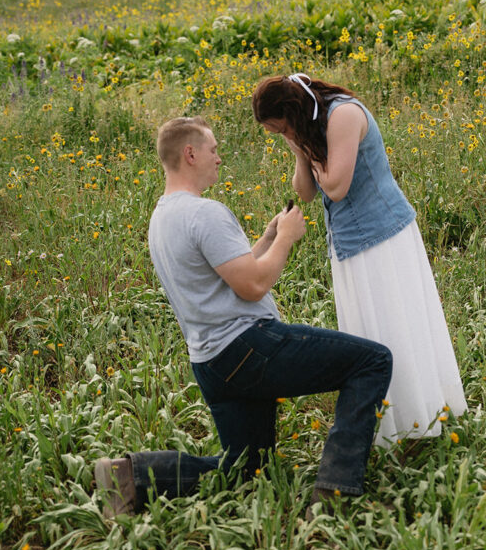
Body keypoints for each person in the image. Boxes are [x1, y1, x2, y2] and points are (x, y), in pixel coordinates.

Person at [94, 115, 392, 517]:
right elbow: (252, 286)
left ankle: (129, 475)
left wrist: (268, 238)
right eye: (213, 149)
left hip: (211, 362)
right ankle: (335, 490)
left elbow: (225, 276)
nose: (219, 157)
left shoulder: (162, 217)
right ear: (190, 153)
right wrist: (287, 238)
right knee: (372, 361)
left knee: (245, 469)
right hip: (249, 348)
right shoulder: (205, 213)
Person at [252, 74, 467, 448]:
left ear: (291, 111)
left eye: (278, 128)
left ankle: (418, 419)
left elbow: (337, 186)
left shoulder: (344, 116)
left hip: (383, 236)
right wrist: (298, 146)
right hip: (349, 242)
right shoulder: (309, 126)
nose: (277, 135)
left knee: (397, 326)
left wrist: (304, 142)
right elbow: (304, 191)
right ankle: (389, 422)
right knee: (370, 332)